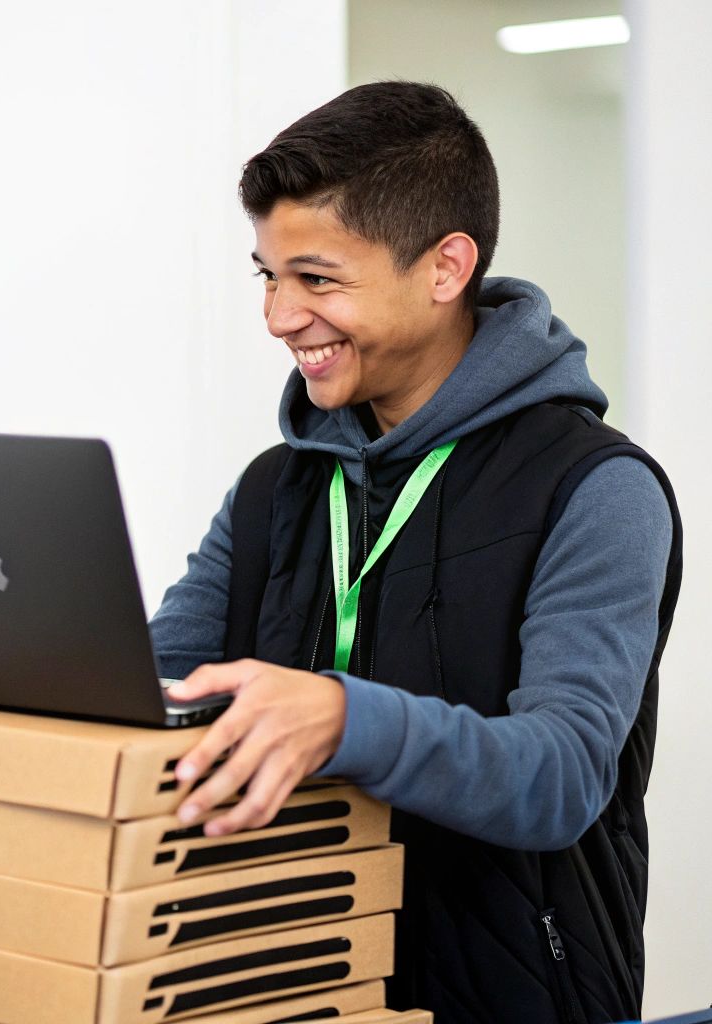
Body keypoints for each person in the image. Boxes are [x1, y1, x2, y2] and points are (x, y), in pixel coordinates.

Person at [150, 82, 682, 1023]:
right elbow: (158, 686)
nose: (279, 317)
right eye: (268, 277)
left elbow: (562, 775)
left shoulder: (597, 488)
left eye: (317, 280)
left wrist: (342, 719)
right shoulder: (276, 487)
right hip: (295, 984)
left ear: (445, 268)